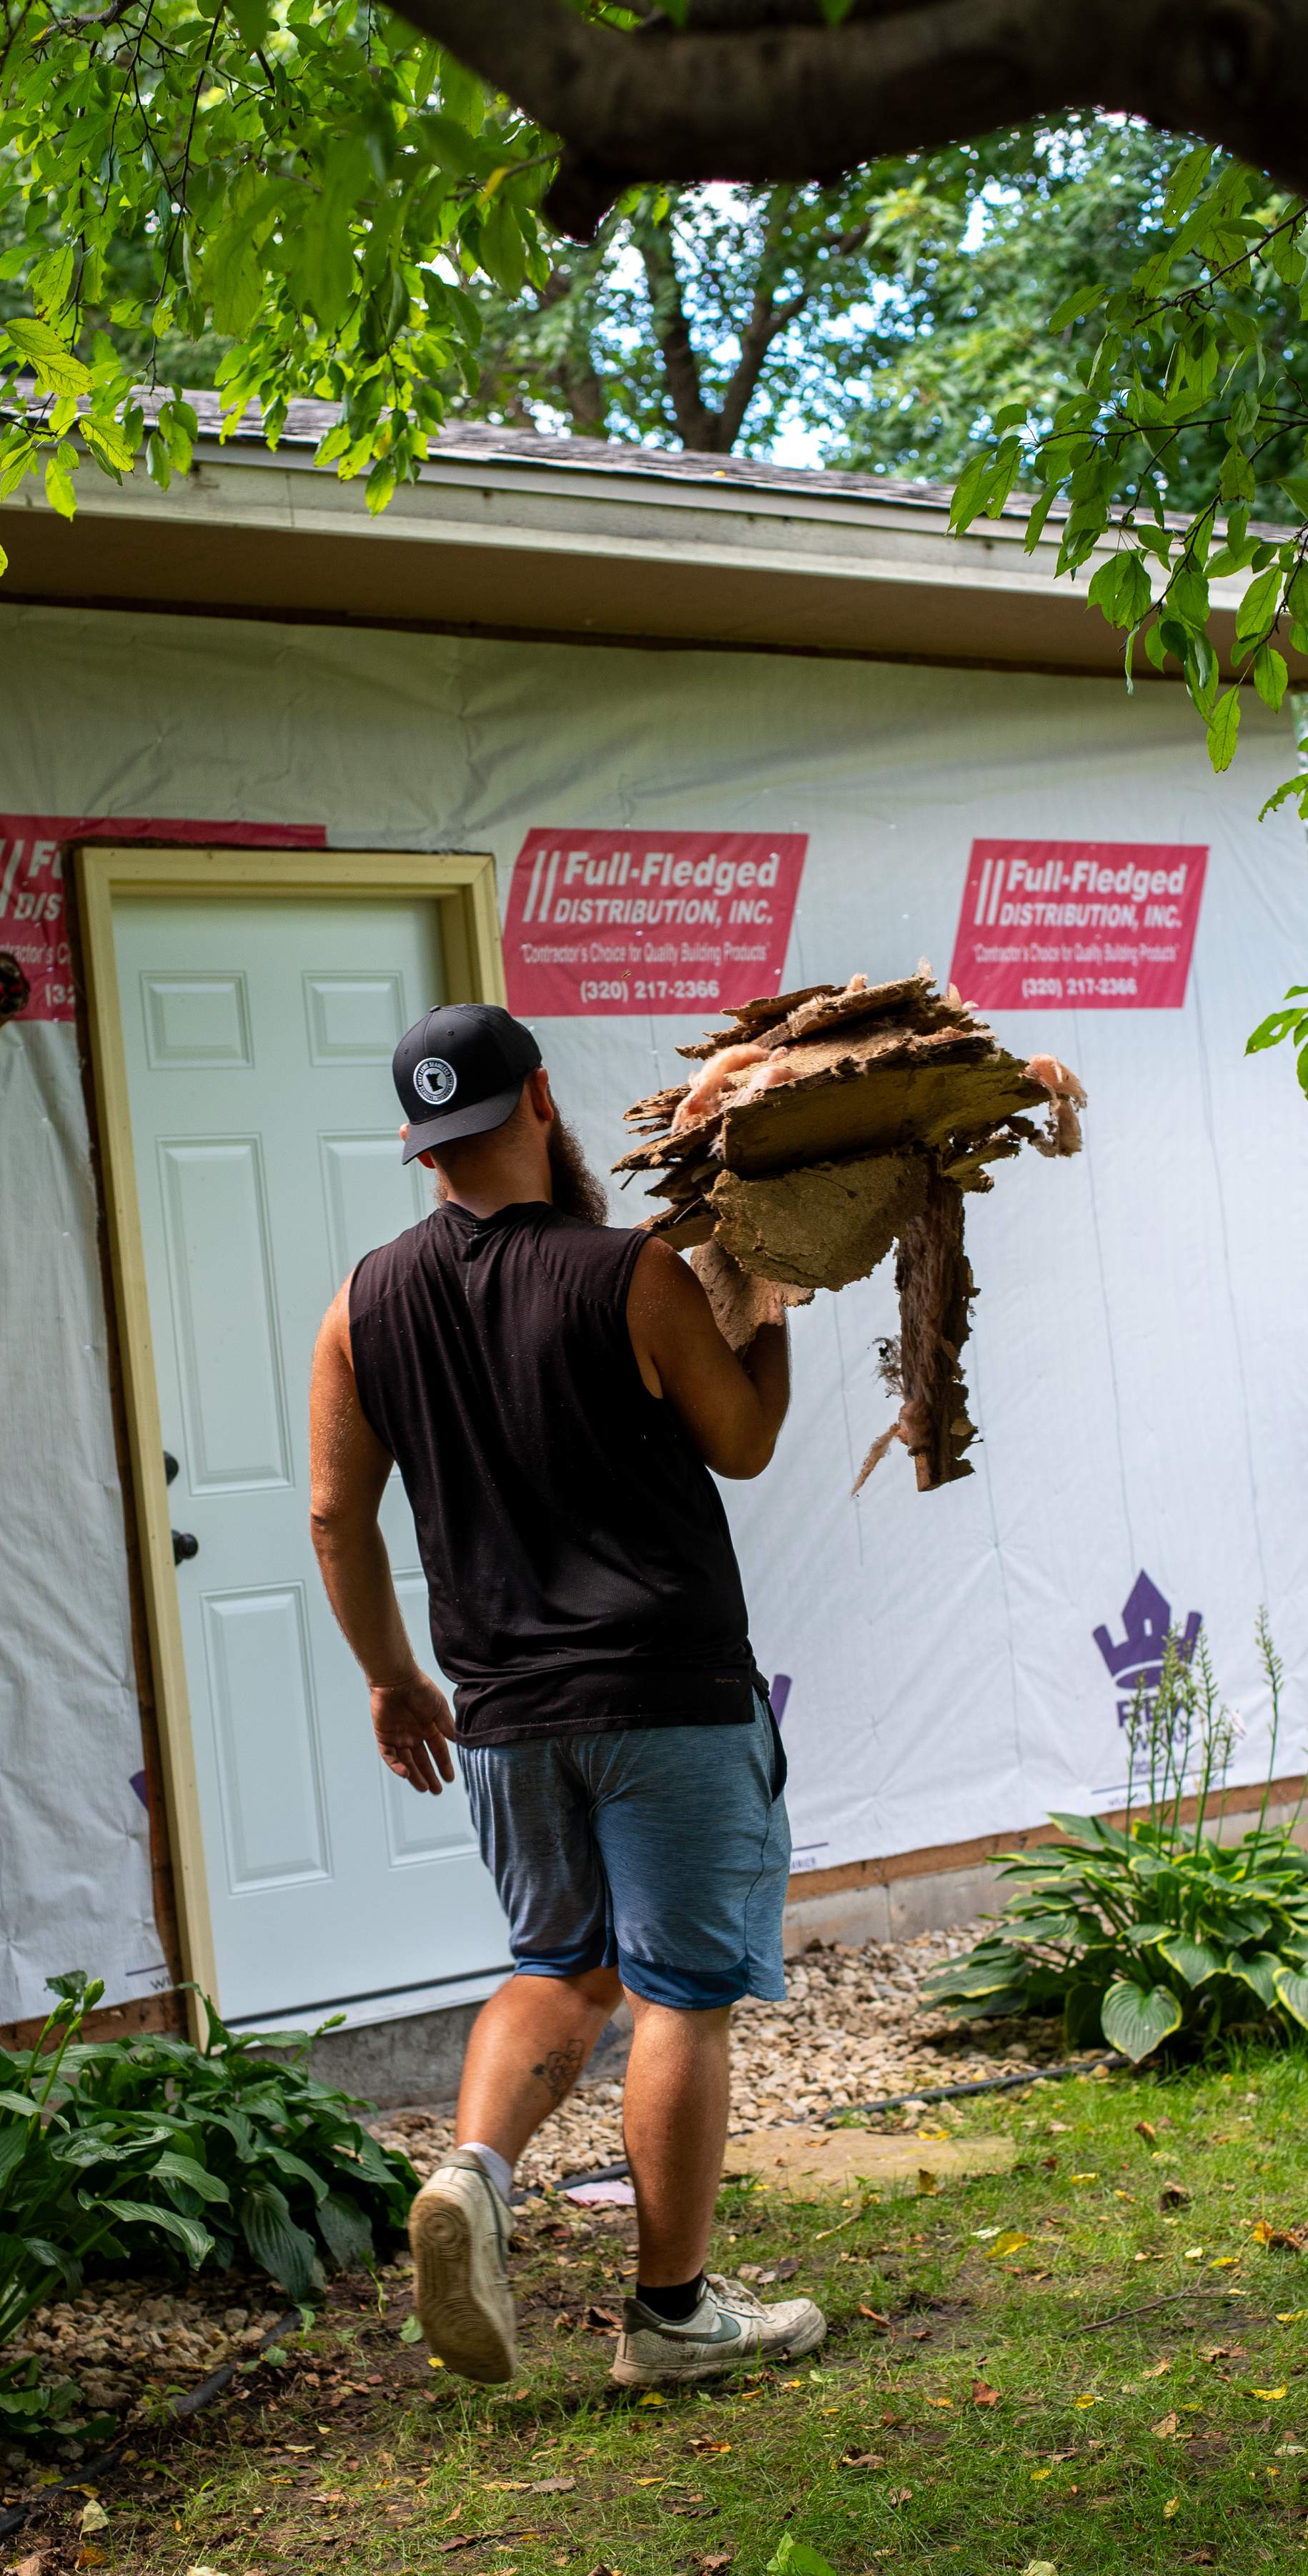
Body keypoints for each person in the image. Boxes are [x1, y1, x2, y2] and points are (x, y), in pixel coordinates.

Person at [307, 999, 825, 2389]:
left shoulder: (361, 1307)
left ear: (422, 1146)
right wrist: (767, 1300)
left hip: (503, 1716)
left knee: (561, 1969)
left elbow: (332, 1519)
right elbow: (743, 1440)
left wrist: (391, 1680)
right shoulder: (626, 1274)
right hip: (666, 1696)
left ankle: (473, 2175)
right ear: (537, 1100)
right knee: (677, 1995)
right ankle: (668, 2319)